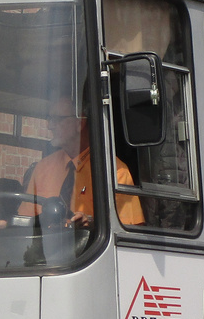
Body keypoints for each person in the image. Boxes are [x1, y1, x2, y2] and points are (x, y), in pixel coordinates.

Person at [27, 97, 144, 227]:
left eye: (58, 119)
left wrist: (91, 223)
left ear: (80, 123)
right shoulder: (43, 168)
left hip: (90, 246)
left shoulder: (114, 172)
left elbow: (128, 230)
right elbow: (25, 219)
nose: (50, 126)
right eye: (49, 118)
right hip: (43, 244)